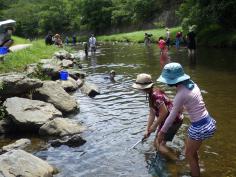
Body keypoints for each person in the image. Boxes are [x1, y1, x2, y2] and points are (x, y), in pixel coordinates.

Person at [156, 62, 216, 177]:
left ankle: (195, 174)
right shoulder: (192, 84)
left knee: (188, 154)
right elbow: (190, 103)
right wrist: (177, 106)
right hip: (207, 121)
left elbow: (172, 116)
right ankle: (195, 171)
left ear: (172, 80)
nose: (166, 82)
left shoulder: (180, 94)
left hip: (199, 127)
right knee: (192, 153)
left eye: (167, 80)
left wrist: (162, 132)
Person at [132, 73, 183, 160]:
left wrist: (154, 126)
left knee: (157, 144)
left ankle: (176, 161)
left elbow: (164, 112)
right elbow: (152, 113)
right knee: (158, 142)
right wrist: (147, 129)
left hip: (173, 120)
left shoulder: (155, 96)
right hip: (169, 119)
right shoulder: (152, 94)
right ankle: (172, 153)